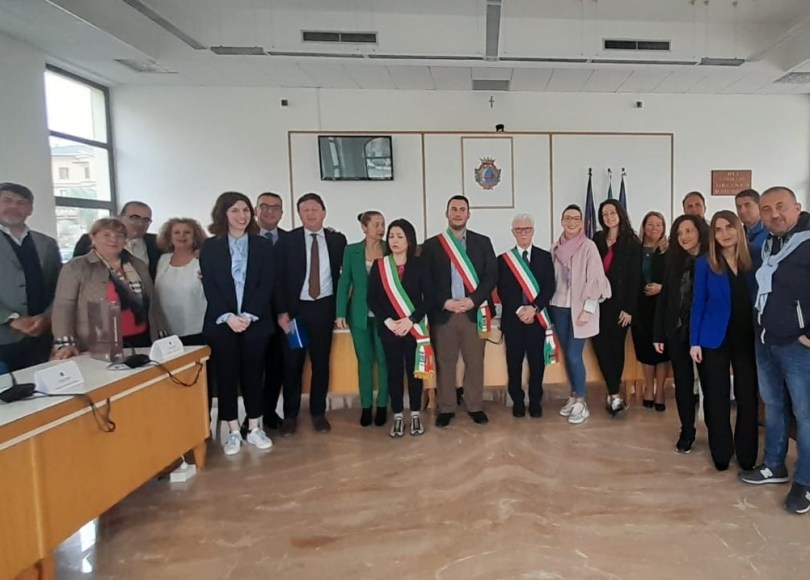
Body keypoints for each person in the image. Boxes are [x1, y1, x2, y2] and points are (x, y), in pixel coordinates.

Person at [739, 186, 810, 515]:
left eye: (781, 206)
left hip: (798, 345)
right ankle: (774, 465)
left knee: (806, 415)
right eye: (766, 209)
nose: (774, 214)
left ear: (798, 207)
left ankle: (805, 482)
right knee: (774, 405)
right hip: (766, 340)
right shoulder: (770, 243)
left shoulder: (806, 242)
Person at [199, 192, 275, 455]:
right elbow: (210, 285)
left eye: (245, 210)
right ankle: (232, 430)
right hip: (223, 323)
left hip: (256, 322)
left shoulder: (262, 245)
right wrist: (229, 317)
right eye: (235, 210)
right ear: (223, 214)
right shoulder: (210, 247)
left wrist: (249, 315)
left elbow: (266, 284)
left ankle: (254, 427)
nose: (242, 216)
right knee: (226, 375)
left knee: (254, 375)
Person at [689, 210, 758, 472]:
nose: (724, 234)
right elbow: (698, 303)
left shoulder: (756, 257)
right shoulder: (705, 263)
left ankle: (747, 454)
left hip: (747, 338)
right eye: (718, 229)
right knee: (716, 396)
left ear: (738, 228)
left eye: (729, 227)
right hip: (713, 337)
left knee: (747, 396)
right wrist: (694, 341)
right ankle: (721, 451)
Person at [421, 195, 497, 428]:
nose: (457, 213)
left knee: (475, 361)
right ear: (446, 213)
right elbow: (426, 281)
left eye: (462, 209)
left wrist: (473, 300)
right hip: (444, 313)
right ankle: (446, 407)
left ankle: (474, 405)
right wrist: (444, 302)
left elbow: (491, 276)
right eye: (453, 209)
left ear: (468, 214)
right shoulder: (432, 245)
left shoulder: (483, 242)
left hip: (473, 312)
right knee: (445, 362)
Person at [275, 193, 347, 435]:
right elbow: (278, 279)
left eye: (315, 209)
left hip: (323, 309)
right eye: (305, 210)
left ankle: (318, 413)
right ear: (299, 214)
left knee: (320, 362)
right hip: (295, 312)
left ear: (324, 212)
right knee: (292, 363)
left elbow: (345, 275)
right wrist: (282, 312)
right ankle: (290, 416)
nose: (310, 213)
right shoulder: (287, 241)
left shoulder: (337, 240)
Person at [52, 218, 167, 358]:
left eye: (119, 235)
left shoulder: (138, 265)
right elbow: (64, 306)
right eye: (106, 235)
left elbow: (153, 302)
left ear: (125, 240)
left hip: (141, 339)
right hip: (98, 344)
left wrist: (161, 333)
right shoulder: (76, 267)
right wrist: (65, 343)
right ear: (93, 238)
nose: (113, 240)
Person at [367, 219, 433, 437]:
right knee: (393, 372)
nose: (394, 241)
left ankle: (414, 413)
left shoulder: (420, 265)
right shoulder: (380, 266)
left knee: (414, 373)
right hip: (390, 329)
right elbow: (372, 298)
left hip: (413, 329)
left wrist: (411, 320)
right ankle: (397, 414)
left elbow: (429, 298)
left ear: (409, 240)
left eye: (400, 236)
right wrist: (387, 321)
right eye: (391, 236)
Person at [549, 204, 611, 425]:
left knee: (575, 354)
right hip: (559, 307)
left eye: (576, 218)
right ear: (562, 221)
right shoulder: (555, 247)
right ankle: (573, 395)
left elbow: (596, 280)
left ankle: (582, 401)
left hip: (581, 310)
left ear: (582, 222)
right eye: (567, 218)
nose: (571, 222)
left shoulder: (588, 246)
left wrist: (588, 309)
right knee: (567, 354)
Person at [654, 215, 710, 453]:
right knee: (683, 384)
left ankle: (716, 432)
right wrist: (658, 333)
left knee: (710, 384)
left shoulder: (712, 260)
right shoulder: (674, 262)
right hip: (677, 332)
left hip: (705, 335)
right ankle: (687, 431)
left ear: (700, 232)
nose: (684, 237)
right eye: (679, 233)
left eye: (689, 231)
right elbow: (665, 300)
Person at [496, 213, 555, 418]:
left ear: (533, 231)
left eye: (527, 229)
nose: (523, 233)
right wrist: (519, 310)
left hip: (537, 319)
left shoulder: (545, 257)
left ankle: (535, 400)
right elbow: (503, 290)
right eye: (519, 229)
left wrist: (534, 308)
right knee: (514, 362)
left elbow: (549, 287)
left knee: (537, 362)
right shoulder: (504, 260)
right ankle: (518, 400)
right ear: (513, 232)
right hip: (513, 320)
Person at [0, 183, 62, 371]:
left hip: (43, 334)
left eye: (21, 203)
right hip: (4, 338)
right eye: (7, 201)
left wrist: (47, 317)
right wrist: (12, 319)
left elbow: (60, 286)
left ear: (30, 209)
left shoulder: (46, 243)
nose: (14, 206)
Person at [336, 211, 389, 427]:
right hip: (359, 314)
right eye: (376, 224)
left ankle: (383, 405)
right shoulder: (352, 251)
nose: (381, 228)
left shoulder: (389, 248)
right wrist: (340, 312)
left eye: (383, 224)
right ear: (364, 228)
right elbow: (344, 282)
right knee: (364, 361)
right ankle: (366, 406)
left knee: (384, 361)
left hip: (386, 316)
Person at [592, 199, 641, 416]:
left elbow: (635, 278)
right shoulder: (597, 239)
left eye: (612, 212)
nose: (609, 217)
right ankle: (613, 392)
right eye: (605, 214)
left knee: (615, 349)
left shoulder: (631, 242)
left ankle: (614, 395)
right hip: (597, 303)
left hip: (620, 305)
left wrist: (629, 309)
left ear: (620, 214)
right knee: (600, 347)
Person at [255, 192, 287, 429]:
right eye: (264, 206)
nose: (269, 211)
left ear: (282, 213)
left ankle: (269, 412)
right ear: (256, 210)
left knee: (278, 366)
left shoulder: (290, 239)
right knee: (253, 368)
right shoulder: (242, 239)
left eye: (275, 207)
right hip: (254, 315)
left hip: (285, 315)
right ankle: (252, 415)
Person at [632, 211, 670, 411]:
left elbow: (679, 279)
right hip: (640, 308)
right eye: (650, 224)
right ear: (644, 227)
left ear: (664, 228)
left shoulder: (669, 251)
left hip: (662, 307)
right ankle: (648, 387)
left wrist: (662, 288)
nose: (654, 228)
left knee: (662, 351)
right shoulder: (635, 250)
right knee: (645, 349)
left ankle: (661, 391)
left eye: (659, 224)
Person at [73, 201, 161, 280]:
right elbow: (76, 271)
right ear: (120, 217)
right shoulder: (90, 240)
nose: (140, 224)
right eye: (134, 218)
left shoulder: (157, 242)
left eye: (146, 220)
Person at [154, 218, 207, 343]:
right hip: (164, 330)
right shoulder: (163, 259)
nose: (181, 236)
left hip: (196, 329)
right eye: (176, 232)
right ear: (170, 237)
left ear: (195, 237)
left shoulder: (203, 260)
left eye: (187, 232)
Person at [735, 188, 768, 257]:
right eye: (739, 207)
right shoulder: (736, 235)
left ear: (759, 206)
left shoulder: (772, 233)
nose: (742, 210)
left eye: (747, 205)